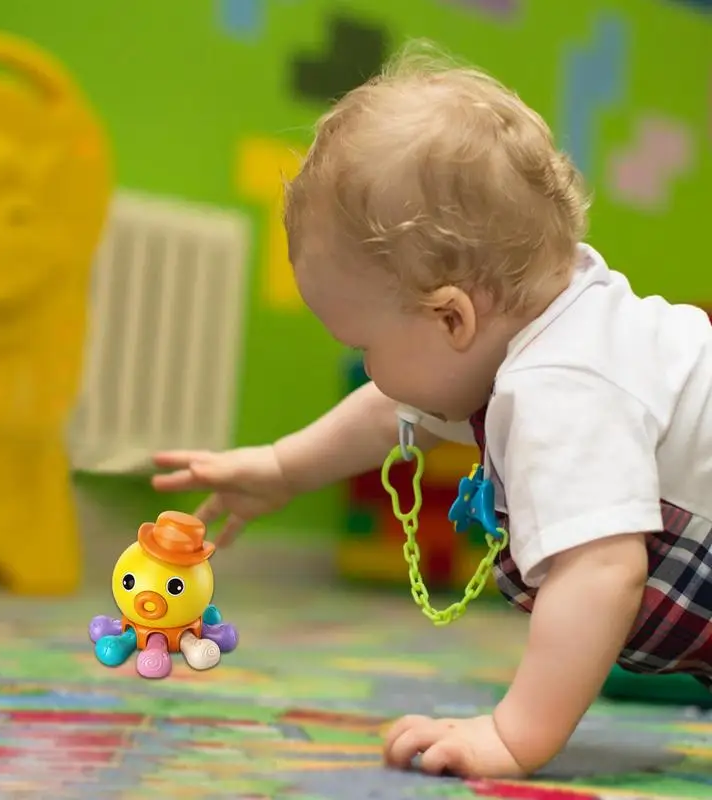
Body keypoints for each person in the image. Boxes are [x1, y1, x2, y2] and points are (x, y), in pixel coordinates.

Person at [151, 44, 712, 778]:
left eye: (364, 345)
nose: (369, 368)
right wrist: (285, 468)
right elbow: (391, 410)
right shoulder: (548, 323)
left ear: (452, 318)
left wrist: (513, 735)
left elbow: (602, 570)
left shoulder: (561, 384)